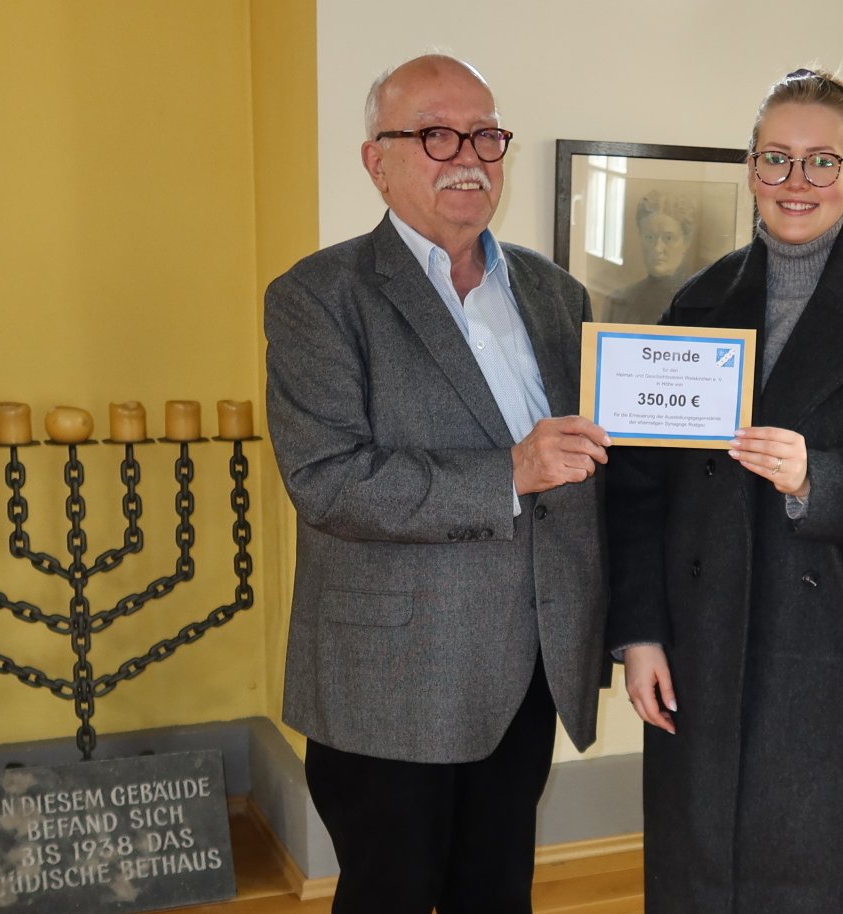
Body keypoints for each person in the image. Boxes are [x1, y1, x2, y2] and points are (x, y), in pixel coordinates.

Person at [608, 68, 843, 913]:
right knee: (704, 884)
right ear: (750, 169)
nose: (796, 183)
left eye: (821, 162)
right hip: (701, 655)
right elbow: (638, 489)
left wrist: (821, 477)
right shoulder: (698, 302)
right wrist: (639, 635)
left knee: (834, 885)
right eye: (776, 159)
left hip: (840, 660)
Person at [264, 54, 612, 914]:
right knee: (389, 895)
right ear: (374, 159)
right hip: (391, 676)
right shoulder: (318, 297)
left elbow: (597, 462)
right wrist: (510, 472)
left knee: (497, 894)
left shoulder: (557, 293)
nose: (469, 154)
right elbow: (328, 480)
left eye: (486, 135)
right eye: (434, 134)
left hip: (526, 666)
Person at [605, 190, 699, 325]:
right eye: (649, 237)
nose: (657, 248)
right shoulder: (618, 303)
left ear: (686, 242)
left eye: (668, 238)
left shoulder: (699, 303)